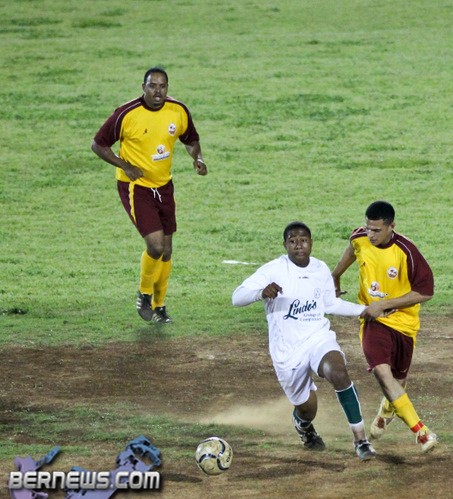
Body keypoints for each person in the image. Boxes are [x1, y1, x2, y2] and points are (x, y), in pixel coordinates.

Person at [232, 222, 377, 461]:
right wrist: (260, 292)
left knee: (338, 372)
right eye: (292, 241)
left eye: (303, 240)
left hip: (318, 338)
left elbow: (330, 304)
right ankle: (304, 425)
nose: (298, 245)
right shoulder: (273, 270)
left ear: (311, 243)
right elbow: (236, 297)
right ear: (285, 245)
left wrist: (363, 310)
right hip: (287, 351)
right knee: (308, 409)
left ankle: (361, 440)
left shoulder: (320, 269)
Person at [92, 67, 208, 323]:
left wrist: (197, 158)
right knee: (155, 245)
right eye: (152, 86)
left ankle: (159, 307)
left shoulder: (178, 110)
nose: (158, 91)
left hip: (164, 186)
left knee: (166, 251)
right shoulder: (126, 114)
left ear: (167, 88)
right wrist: (125, 165)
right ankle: (144, 294)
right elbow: (98, 145)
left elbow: (190, 139)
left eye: (162, 86)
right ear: (143, 87)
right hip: (136, 186)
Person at [331, 200, 438, 453]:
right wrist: (335, 278)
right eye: (368, 228)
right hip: (372, 319)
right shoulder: (359, 238)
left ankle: (386, 411)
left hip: (404, 325)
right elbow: (349, 255)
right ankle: (422, 432)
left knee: (398, 380)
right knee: (382, 372)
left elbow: (425, 291)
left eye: (377, 230)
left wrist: (386, 304)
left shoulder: (406, 251)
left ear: (392, 226)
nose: (371, 234)